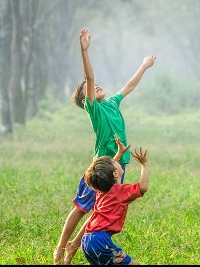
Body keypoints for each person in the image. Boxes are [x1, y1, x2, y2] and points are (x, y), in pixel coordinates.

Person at [53, 27, 155, 264]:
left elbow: (129, 86)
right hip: (101, 167)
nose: (95, 86)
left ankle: (74, 248)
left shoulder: (112, 103)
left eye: (96, 85)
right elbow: (89, 76)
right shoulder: (94, 109)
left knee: (101, 208)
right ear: (84, 99)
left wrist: (144, 66)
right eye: (89, 88)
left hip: (119, 164)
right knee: (81, 208)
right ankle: (60, 248)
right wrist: (84, 50)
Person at [77, 138, 149, 265]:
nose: (117, 162)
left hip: (87, 240)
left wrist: (119, 154)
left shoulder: (101, 190)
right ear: (115, 173)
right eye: (114, 162)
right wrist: (144, 165)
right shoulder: (120, 191)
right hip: (100, 241)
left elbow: (104, 173)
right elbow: (142, 187)